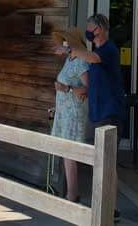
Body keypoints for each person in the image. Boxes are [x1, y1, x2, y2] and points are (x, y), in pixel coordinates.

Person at [73, 13, 126, 218]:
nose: (88, 30)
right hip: (97, 112)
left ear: (100, 29)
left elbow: (93, 58)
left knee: (107, 162)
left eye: (90, 27)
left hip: (110, 113)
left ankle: (110, 208)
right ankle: (108, 207)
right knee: (103, 162)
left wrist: (72, 49)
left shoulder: (108, 49)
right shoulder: (97, 52)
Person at [51, 28, 89, 203]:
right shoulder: (69, 59)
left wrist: (66, 88)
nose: (64, 45)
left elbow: (88, 89)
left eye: (66, 41)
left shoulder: (81, 61)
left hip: (73, 113)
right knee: (66, 151)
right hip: (65, 112)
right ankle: (70, 193)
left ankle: (72, 194)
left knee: (70, 152)